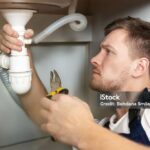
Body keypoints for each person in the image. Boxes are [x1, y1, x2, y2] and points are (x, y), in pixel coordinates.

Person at [0, 16, 150, 150]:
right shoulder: (106, 129)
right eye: (100, 50)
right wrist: (22, 57)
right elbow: (45, 117)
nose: (94, 59)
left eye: (108, 52)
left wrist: (83, 132)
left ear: (139, 67)